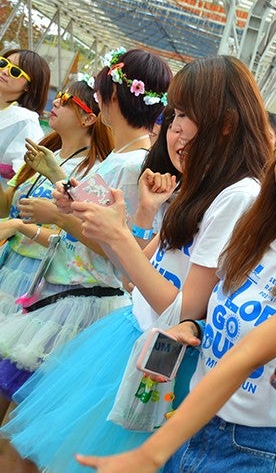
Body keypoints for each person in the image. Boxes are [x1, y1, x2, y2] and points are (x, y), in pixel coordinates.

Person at [0, 55, 273, 473]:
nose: (173, 128)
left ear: (227, 123)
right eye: (174, 114)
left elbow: (186, 310)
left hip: (157, 357)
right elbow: (131, 278)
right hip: (132, 337)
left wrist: (117, 234)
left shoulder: (237, 196)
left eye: (186, 115)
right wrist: (131, 219)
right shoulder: (201, 186)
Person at [76, 108, 276, 472]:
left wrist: (151, 454)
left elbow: (249, 353)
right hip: (191, 420)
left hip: (254, 449)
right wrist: (193, 328)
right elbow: (223, 313)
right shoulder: (254, 237)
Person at [0, 48, 171, 421]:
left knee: (19, 428)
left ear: (111, 97)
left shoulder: (131, 165)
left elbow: (118, 249)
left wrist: (58, 218)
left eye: (98, 93)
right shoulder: (123, 157)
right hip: (62, 292)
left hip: (79, 300)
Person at [0, 76, 111, 320]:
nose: (57, 103)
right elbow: (6, 207)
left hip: (45, 279)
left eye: (66, 100)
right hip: (9, 264)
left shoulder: (96, 171)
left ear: (88, 118)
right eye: (58, 97)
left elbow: (85, 238)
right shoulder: (43, 154)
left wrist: (20, 227)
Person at [0, 50, 49, 190]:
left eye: (15, 71)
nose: (4, 71)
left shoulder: (26, 121)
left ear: (29, 86)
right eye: (3, 63)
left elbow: (24, 172)